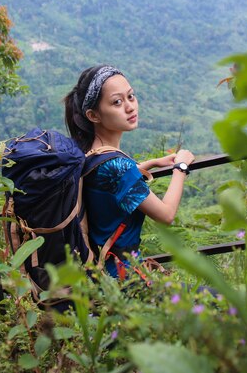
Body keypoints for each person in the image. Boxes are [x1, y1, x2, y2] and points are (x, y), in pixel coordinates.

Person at [64, 65, 195, 279]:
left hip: (99, 273)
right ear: (93, 115)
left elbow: (108, 179)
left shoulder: (89, 153)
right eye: (117, 102)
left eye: (131, 96)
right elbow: (166, 214)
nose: (130, 107)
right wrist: (181, 167)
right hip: (124, 278)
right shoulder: (117, 167)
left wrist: (149, 164)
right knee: (222, 304)